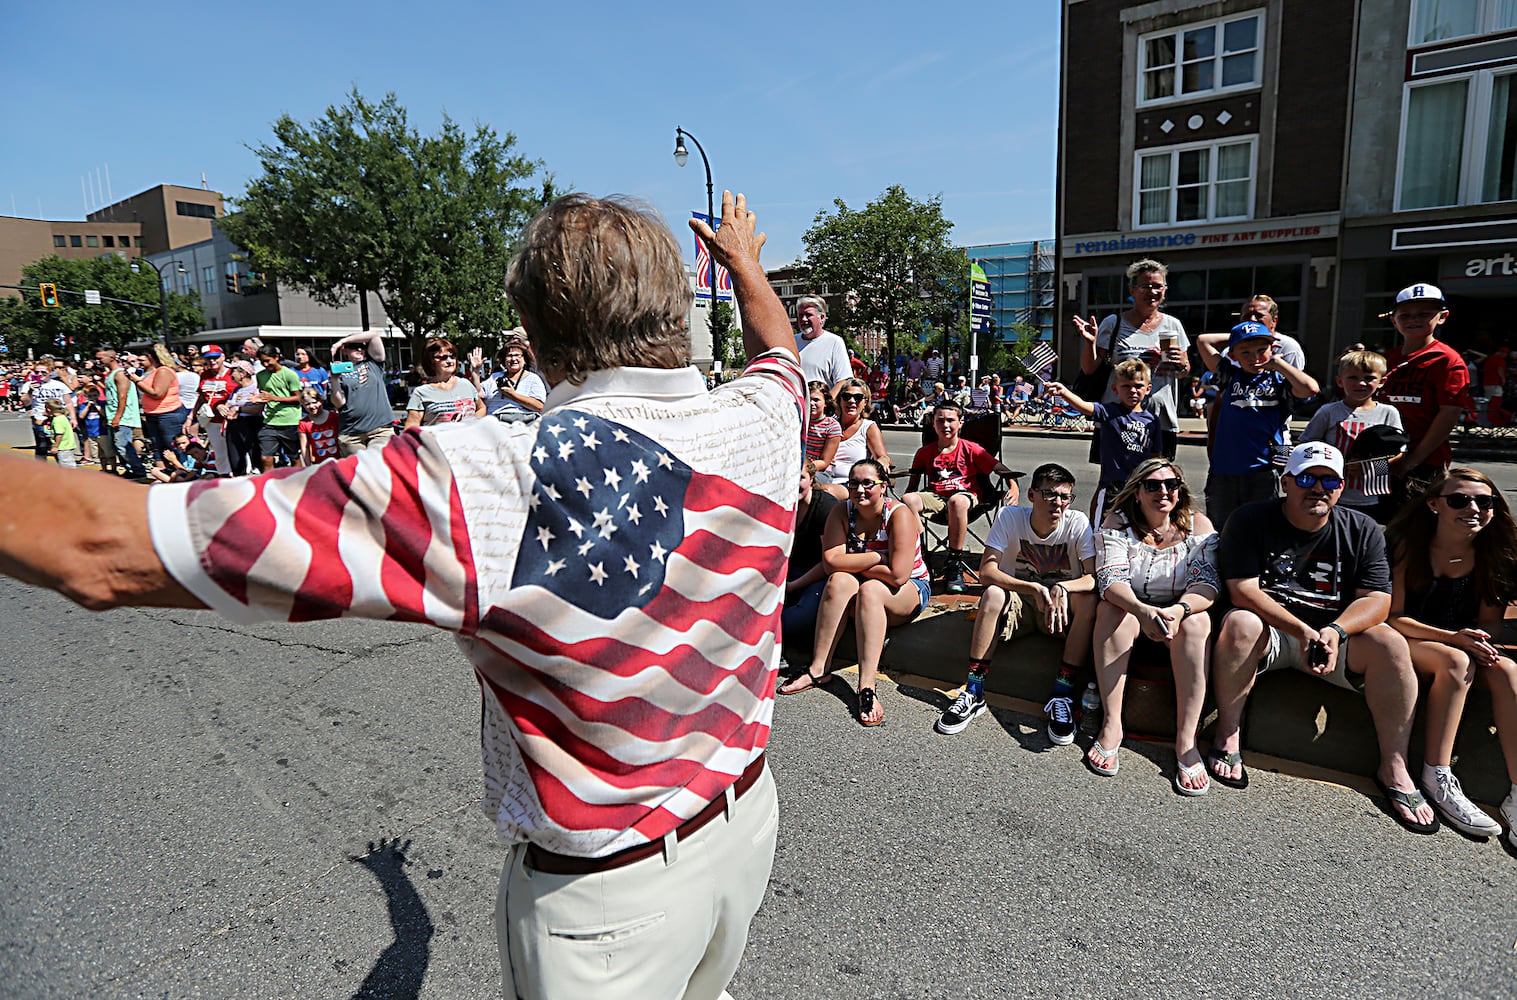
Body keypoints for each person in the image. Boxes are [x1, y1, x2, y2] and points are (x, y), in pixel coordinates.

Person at [0, 189, 801, 1000]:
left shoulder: (488, 476)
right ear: (675, 304)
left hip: (609, 897)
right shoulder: (766, 414)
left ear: (532, 325)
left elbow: (98, 548)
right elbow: (779, 352)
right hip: (745, 825)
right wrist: (744, 265)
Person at [1208, 442, 1437, 835]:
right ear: (1286, 482)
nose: (1318, 487)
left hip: (1334, 637)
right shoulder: (1250, 518)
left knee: (1390, 643)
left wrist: (1335, 631)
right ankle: (1228, 734)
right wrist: (1301, 630)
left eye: (1328, 480)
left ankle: (1393, 765)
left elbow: (1379, 600)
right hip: (1275, 632)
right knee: (1239, 623)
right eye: (1307, 478)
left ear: (1342, 486)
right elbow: (1241, 589)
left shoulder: (1362, 528)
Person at [1386, 468, 1517, 844]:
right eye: (1459, 500)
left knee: (1507, 670)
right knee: (1457, 662)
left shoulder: (1494, 554)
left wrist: (1476, 640)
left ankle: (1516, 793)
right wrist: (1454, 639)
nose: (1472, 508)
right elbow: (1393, 616)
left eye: (1484, 501)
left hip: (1458, 642)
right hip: (1409, 637)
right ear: (1434, 505)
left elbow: (1489, 624)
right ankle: (1436, 774)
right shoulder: (1408, 546)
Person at [934, 463, 1098, 742]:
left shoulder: (1077, 523)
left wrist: (1062, 586)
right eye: (1049, 495)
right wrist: (1031, 587)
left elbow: (1093, 577)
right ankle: (974, 690)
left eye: (1064, 497)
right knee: (993, 594)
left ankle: (1062, 693)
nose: (1057, 503)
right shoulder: (1011, 517)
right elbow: (987, 571)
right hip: (1019, 605)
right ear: (1032, 495)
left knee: (1088, 602)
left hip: (1056, 611)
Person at [1089, 459, 1218, 792]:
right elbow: (1110, 579)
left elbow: (1207, 584)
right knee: (1110, 610)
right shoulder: (1117, 524)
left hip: (1178, 615)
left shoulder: (1199, 526)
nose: (1163, 491)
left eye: (1171, 485)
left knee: (1198, 621)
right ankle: (1112, 724)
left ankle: (1186, 742)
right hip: (1133, 610)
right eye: (1153, 485)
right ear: (1137, 492)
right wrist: (1143, 611)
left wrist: (1178, 610)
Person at [777, 457, 930, 726]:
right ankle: (818, 669)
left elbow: (899, 575)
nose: (860, 490)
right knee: (838, 580)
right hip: (863, 579)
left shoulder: (898, 514)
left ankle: (866, 686)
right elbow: (832, 562)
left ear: (883, 486)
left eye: (868, 484)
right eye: (854, 484)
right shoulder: (843, 511)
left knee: (870, 590)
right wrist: (875, 559)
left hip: (910, 589)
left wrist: (858, 562)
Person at [1196, 321, 1319, 530]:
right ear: (1233, 355)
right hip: (1224, 469)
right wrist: (1238, 336)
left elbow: (1310, 389)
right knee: (1220, 529)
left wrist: (1279, 364)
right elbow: (1203, 340)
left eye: (1262, 350)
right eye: (1245, 352)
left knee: (1260, 529)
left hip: (1263, 469)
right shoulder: (1229, 374)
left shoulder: (1280, 379)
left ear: (1273, 348)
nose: (1255, 358)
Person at [1073, 259, 1191, 459]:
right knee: (1116, 483)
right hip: (1119, 418)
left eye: (1158, 286)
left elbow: (1184, 370)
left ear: (1165, 290)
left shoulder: (1173, 326)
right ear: (1132, 290)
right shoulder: (1114, 323)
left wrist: (1181, 363)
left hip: (1160, 419)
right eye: (1146, 286)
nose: (1152, 292)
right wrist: (1089, 343)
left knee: (1154, 481)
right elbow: (1090, 368)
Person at [901, 399, 1017, 593]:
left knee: (957, 501)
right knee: (908, 500)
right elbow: (911, 488)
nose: (945, 425)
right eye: (940, 420)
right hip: (936, 498)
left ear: (960, 423)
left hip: (966, 498)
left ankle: (954, 562)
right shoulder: (924, 452)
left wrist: (1013, 486)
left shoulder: (971, 448)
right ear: (933, 423)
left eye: (950, 420)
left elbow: (999, 468)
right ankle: (920, 553)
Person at [1382, 283, 1473, 508]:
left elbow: (1448, 415)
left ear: (1442, 317)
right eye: (1405, 315)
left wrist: (1411, 462)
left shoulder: (1447, 360)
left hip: (1423, 463)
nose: (1414, 320)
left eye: (1424, 314)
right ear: (1394, 320)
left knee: (1416, 531)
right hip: (1384, 460)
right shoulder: (1386, 359)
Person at [1043, 359, 1162, 522]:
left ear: (1148, 389)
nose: (1132, 391)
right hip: (1113, 486)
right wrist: (1064, 392)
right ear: (1115, 389)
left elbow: (1156, 458)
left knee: (1139, 528)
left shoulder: (1152, 421)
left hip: (1141, 487)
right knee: (1103, 527)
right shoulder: (1109, 412)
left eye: (1138, 386)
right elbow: (1084, 406)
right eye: (1126, 386)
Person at [1299, 350, 1405, 515]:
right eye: (1353, 378)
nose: (1361, 384)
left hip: (1373, 495)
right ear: (1340, 381)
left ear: (1382, 381)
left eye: (1369, 378)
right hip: (1332, 493)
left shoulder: (1388, 413)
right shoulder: (1328, 412)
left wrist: (1370, 466)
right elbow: (1307, 445)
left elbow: (1399, 452)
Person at [782, 459, 839, 649]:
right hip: (787, 571)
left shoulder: (825, 507)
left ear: (812, 478)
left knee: (791, 622)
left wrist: (791, 586)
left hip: (817, 574)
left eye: (800, 478)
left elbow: (829, 563)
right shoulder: (777, 504)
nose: (793, 485)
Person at [816, 379, 891, 500]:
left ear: (865, 402)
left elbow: (883, 457)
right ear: (839, 400)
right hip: (821, 477)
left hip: (851, 485)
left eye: (858, 397)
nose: (851, 401)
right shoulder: (828, 423)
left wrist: (883, 461)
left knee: (824, 493)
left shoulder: (868, 427)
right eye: (846, 396)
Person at [326, 329, 396, 455]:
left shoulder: (374, 363)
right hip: (351, 434)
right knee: (359, 471)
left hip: (380, 430)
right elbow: (339, 403)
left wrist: (342, 341)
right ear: (344, 350)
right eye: (354, 347)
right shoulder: (340, 372)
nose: (360, 350)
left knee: (379, 464)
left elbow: (374, 335)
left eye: (362, 346)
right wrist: (334, 380)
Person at [127, 345, 189, 463]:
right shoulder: (154, 372)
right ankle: (164, 473)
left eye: (141, 360)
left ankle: (184, 471)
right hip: (153, 414)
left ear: (150, 357)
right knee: (158, 447)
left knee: (173, 446)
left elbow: (157, 393)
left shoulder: (164, 371)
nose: (139, 363)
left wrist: (137, 381)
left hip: (168, 414)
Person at [404, 338, 485, 427]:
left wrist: (471, 425)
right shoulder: (421, 393)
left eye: (452, 356)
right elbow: (411, 428)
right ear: (431, 361)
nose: (450, 361)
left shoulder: (466, 384)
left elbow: (481, 408)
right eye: (443, 357)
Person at [185, 345, 237, 477]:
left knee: (236, 451)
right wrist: (190, 417)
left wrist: (226, 405)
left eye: (215, 358)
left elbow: (241, 393)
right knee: (220, 452)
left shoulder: (233, 373)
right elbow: (201, 397)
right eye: (209, 359)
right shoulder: (205, 375)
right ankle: (224, 477)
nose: (212, 361)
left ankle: (241, 475)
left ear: (223, 357)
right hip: (211, 420)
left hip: (231, 420)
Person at [95, 349, 147, 480]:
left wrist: (118, 416)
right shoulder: (111, 375)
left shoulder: (120, 374)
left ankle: (138, 470)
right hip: (112, 415)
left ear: (111, 357)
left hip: (123, 417)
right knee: (117, 446)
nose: (98, 361)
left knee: (123, 445)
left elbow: (122, 396)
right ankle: (129, 469)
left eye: (100, 358)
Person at [254, 346, 304, 472]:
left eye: (268, 361)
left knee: (294, 457)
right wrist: (257, 399)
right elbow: (265, 396)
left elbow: (298, 398)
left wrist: (274, 398)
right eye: (262, 362)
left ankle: (297, 483)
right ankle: (268, 485)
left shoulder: (289, 374)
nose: (265, 365)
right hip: (270, 422)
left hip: (290, 421)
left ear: (276, 358)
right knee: (266, 458)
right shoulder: (260, 376)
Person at [473, 338, 546, 422]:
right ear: (504, 360)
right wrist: (476, 371)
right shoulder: (494, 377)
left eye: (517, 355)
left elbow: (539, 407)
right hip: (495, 422)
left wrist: (512, 394)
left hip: (523, 422)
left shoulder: (533, 378)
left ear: (525, 360)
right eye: (510, 356)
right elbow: (477, 394)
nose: (513, 359)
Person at [794, 295, 850, 392]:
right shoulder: (792, 342)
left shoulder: (834, 342)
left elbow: (843, 380)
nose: (803, 319)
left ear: (822, 318)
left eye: (808, 315)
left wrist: (827, 404)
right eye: (800, 315)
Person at [21, 361, 76, 462]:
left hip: (58, 420)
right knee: (42, 447)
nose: (40, 375)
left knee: (59, 447)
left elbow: (68, 402)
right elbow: (25, 401)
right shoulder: (29, 385)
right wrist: (30, 391)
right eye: (37, 372)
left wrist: (73, 418)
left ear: (50, 372)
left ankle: (63, 471)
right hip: (40, 419)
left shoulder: (59, 385)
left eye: (43, 372)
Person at [217, 361, 263, 476]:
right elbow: (228, 404)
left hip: (251, 424)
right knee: (236, 458)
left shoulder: (257, 388)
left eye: (233, 371)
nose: (231, 374)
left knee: (256, 456)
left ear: (243, 373)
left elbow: (259, 408)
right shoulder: (236, 390)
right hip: (234, 425)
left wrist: (239, 409)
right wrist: (221, 407)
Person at [803, 380, 842, 480]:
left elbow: (824, 462)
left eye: (816, 400)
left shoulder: (832, 426)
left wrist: (804, 469)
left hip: (820, 471)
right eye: (808, 399)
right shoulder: (800, 421)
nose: (811, 403)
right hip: (799, 467)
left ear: (825, 403)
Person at [297, 388, 340, 466]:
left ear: (321, 401)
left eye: (314, 402)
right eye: (307, 404)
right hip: (319, 464)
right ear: (303, 405)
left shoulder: (334, 416)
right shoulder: (303, 423)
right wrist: (308, 466)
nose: (312, 406)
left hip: (339, 460)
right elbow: (304, 447)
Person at [44, 399, 79, 468]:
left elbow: (59, 434)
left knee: (67, 467)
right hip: (67, 445)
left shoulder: (57, 420)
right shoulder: (63, 417)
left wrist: (55, 446)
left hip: (63, 447)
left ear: (48, 409)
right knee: (68, 464)